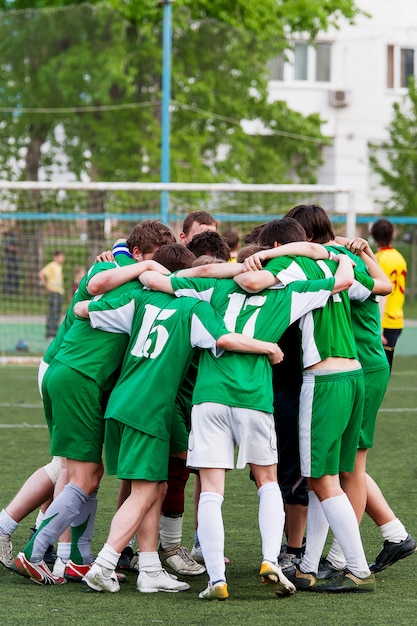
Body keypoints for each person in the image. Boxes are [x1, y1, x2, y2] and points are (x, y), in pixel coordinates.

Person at [139, 242, 353, 600]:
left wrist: (226, 270)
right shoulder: (289, 292)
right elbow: (343, 281)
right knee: (268, 480)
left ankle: (216, 579)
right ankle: (270, 559)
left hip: (209, 396)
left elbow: (154, 278)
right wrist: (338, 255)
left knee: (210, 489)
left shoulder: (217, 286)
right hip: (254, 397)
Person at [72, 247, 283, 595]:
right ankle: (104, 563)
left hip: (120, 402)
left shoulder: (143, 301)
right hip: (150, 409)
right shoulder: (195, 308)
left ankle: (150, 567)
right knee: (145, 491)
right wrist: (268, 348)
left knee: (154, 486)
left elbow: (84, 309)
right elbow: (225, 339)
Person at [10, 224, 175, 586]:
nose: (158, 268)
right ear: (134, 255)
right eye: (153, 260)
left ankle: (75, 557)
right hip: (76, 377)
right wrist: (142, 268)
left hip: (73, 375)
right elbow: (96, 288)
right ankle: (34, 551)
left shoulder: (134, 282)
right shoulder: (110, 270)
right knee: (81, 475)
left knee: (85, 473)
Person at [238, 218, 383, 593]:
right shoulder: (332, 260)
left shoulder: (289, 264)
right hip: (355, 375)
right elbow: (376, 286)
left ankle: (357, 568)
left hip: (323, 378)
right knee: (328, 477)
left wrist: (256, 263)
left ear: (274, 243)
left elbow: (253, 282)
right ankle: (309, 563)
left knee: (318, 477)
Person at [282, 205, 416, 577]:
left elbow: (382, 286)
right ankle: (393, 533)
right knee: (343, 467)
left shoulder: (337, 262)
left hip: (359, 367)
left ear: (306, 237)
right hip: (359, 364)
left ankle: (344, 558)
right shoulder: (340, 254)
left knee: (349, 468)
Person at [370, 218, 407, 371]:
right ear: (392, 235)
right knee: (385, 369)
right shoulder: (400, 258)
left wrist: (378, 328)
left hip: (381, 323)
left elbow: (381, 294)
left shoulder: (376, 260)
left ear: (373, 236)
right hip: (397, 320)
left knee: (376, 372)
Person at [39, 251, 65, 340]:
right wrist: (46, 286)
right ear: (56, 257)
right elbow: (41, 273)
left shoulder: (59, 267)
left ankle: (54, 333)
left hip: (59, 292)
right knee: (52, 313)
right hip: (53, 292)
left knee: (57, 313)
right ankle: (49, 334)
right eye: (61, 256)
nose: (63, 258)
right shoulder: (52, 265)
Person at [2, 225, 21, 294]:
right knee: (9, 275)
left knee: (16, 275)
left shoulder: (13, 236)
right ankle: (6, 290)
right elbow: (10, 247)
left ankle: (15, 290)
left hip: (15, 259)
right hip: (9, 259)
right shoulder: (7, 238)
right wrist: (17, 250)